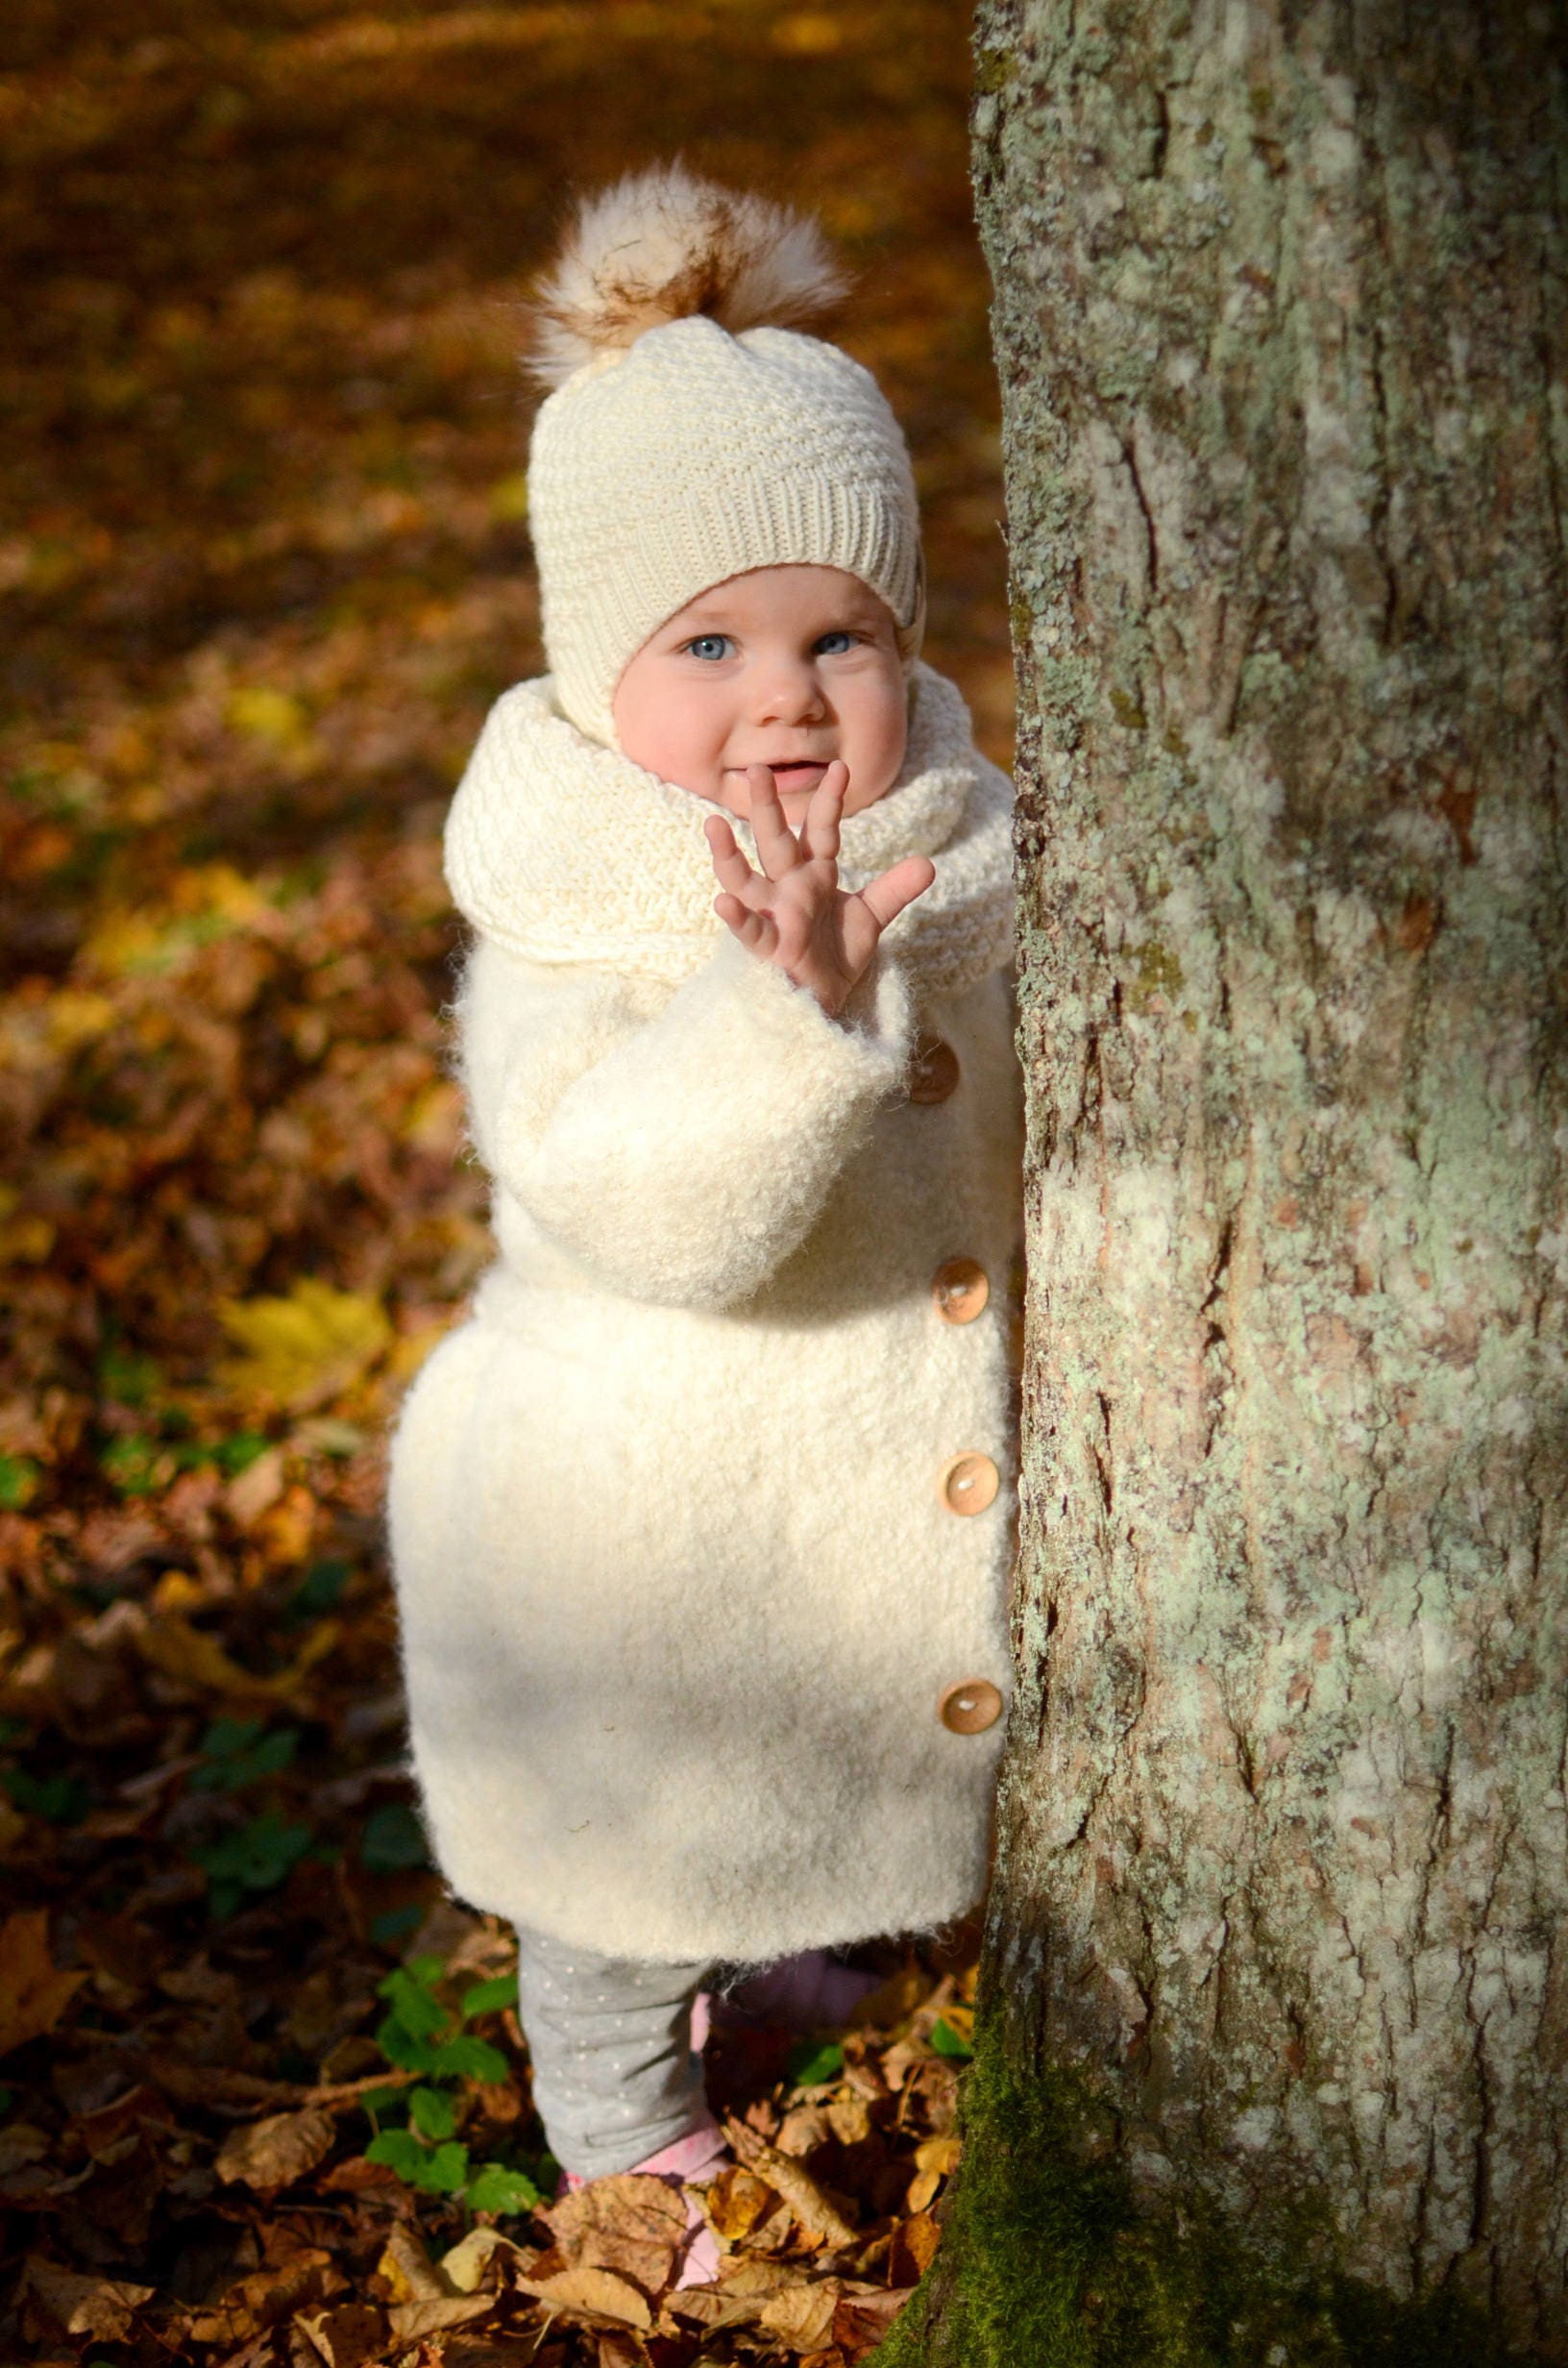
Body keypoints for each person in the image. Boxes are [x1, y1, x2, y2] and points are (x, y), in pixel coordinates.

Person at [387, 162, 1021, 2279]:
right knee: (625, 1852)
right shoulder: (579, 914)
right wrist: (783, 1009)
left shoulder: (964, 843)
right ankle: (611, 2106)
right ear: (596, 670)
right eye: (711, 644)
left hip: (842, 1483)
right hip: (628, 1516)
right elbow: (642, 1202)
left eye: (843, 636)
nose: (784, 698)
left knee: (837, 1740)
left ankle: (800, 1962)